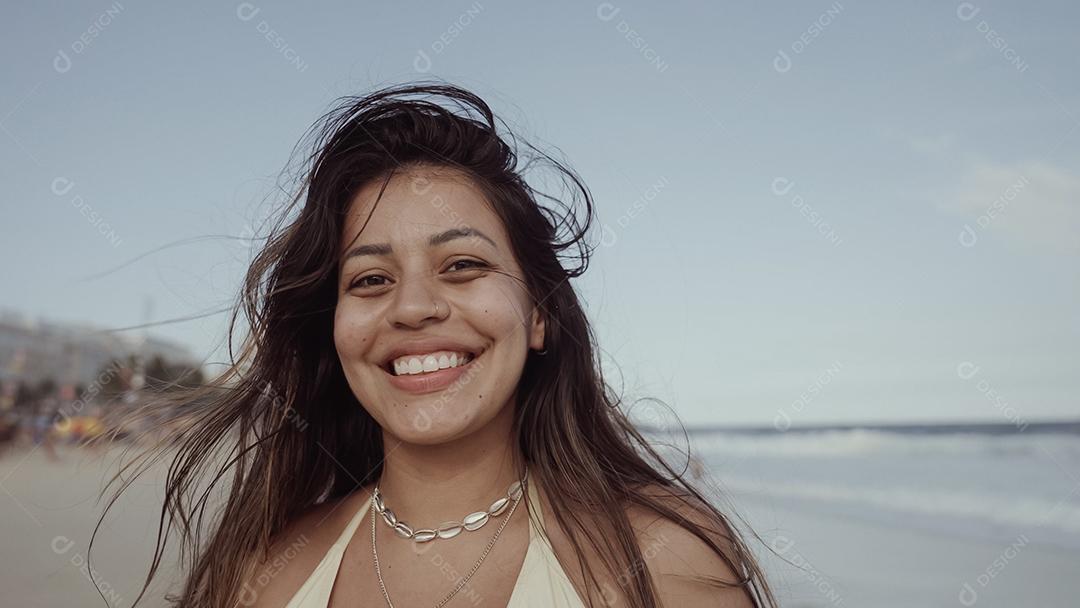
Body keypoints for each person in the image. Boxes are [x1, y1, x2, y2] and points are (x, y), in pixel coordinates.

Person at [104, 82, 777, 608]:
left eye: (463, 265)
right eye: (370, 279)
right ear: (334, 329)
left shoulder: (659, 559)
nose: (415, 306)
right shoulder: (264, 570)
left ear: (538, 314)